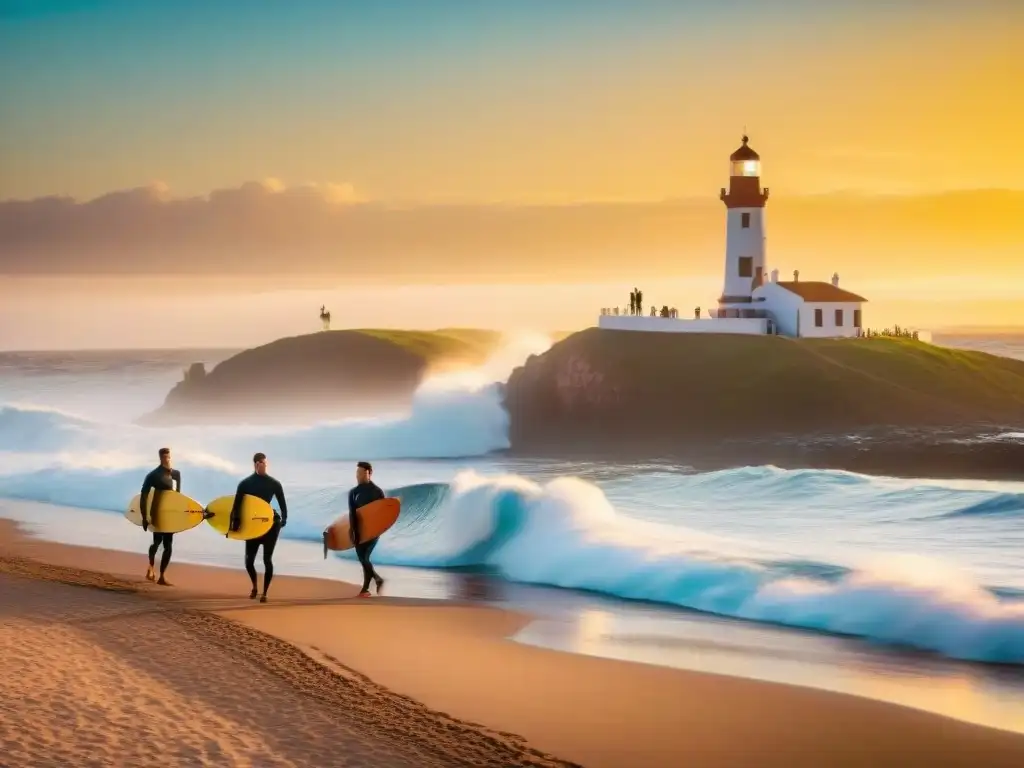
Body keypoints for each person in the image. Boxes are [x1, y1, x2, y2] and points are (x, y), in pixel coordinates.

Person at [230, 452, 288, 603]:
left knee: (267, 559)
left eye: (265, 463)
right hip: (253, 526)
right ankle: (255, 586)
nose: (264, 466)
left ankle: (265, 593)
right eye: (261, 463)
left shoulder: (274, 483)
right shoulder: (245, 484)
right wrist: (233, 526)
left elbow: (282, 503)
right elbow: (237, 506)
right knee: (249, 561)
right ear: (255, 464)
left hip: (269, 525)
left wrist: (284, 519)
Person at [139, 447, 181, 586]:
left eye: (168, 457)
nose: (167, 459)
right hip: (157, 514)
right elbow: (144, 496)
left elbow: (178, 497)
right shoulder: (154, 475)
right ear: (160, 458)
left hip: (170, 514)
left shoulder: (176, 474)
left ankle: (162, 576)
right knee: (157, 542)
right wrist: (145, 517)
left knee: (168, 545)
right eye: (164, 457)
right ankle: (150, 567)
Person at [348, 460, 386, 597]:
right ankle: (370, 585)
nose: (357, 475)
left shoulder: (377, 492)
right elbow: (352, 513)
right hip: (358, 530)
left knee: (365, 558)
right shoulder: (353, 493)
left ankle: (371, 584)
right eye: (356, 472)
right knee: (363, 559)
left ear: (368, 473)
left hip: (373, 531)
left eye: (360, 472)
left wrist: (379, 530)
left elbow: (384, 513)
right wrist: (353, 530)